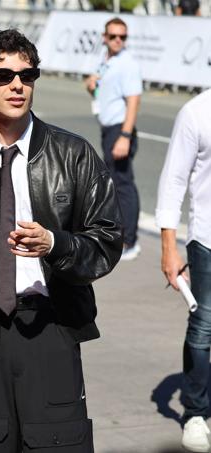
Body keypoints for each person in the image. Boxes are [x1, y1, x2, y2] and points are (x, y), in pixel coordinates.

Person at [0, 29, 123, 452]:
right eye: (3, 76)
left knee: (57, 443)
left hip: (52, 329)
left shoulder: (74, 155)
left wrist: (57, 244)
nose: (17, 85)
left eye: (27, 75)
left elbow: (107, 243)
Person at [156, 89, 211, 453]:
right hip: (208, 240)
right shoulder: (197, 112)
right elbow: (174, 180)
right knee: (203, 328)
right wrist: (169, 247)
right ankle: (195, 412)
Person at [86, 17, 142, 261]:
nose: (118, 40)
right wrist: (92, 86)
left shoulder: (127, 63)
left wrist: (125, 136)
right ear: (104, 37)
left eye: (123, 37)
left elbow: (133, 100)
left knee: (123, 185)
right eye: (113, 36)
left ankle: (129, 240)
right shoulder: (107, 59)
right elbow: (101, 89)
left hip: (120, 130)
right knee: (116, 183)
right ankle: (122, 235)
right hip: (109, 129)